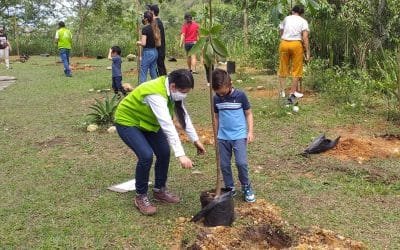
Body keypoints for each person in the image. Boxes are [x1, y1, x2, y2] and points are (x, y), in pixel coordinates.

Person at [114, 69, 206, 215]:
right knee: (146, 155)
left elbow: (183, 116)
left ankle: (159, 190)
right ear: (173, 86)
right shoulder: (155, 93)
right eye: (183, 91)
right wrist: (181, 154)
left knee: (164, 152)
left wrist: (195, 139)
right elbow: (167, 125)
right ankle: (140, 196)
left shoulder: (171, 90)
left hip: (148, 123)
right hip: (128, 121)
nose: (184, 95)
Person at [211, 69, 256, 203]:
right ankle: (230, 187)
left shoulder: (240, 96)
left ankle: (246, 186)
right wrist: (216, 135)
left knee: (241, 163)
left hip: (239, 135)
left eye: (223, 91)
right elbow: (217, 117)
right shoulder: (216, 98)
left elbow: (248, 114)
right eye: (218, 92)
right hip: (223, 137)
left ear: (230, 84)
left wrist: (250, 132)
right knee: (224, 164)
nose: (221, 94)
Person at [278, 5, 310, 103]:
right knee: (296, 69)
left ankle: (282, 91)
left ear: (292, 11)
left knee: (283, 67)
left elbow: (280, 31)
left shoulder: (286, 18)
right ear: (302, 13)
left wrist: (284, 37)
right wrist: (307, 51)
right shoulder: (303, 21)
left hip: (284, 43)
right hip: (296, 44)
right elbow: (305, 37)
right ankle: (292, 93)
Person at [137, 11, 160, 84]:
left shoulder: (145, 29)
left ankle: (141, 89)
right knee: (153, 70)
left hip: (148, 52)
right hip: (155, 51)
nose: (143, 19)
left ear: (146, 19)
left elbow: (143, 43)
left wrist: (138, 42)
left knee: (143, 70)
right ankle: (157, 86)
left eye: (143, 17)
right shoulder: (155, 27)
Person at [147, 4, 167, 76]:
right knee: (159, 67)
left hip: (159, 49)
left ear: (152, 12)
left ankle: (164, 83)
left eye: (149, 10)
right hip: (158, 49)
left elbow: (156, 38)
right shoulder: (156, 22)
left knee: (160, 68)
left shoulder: (156, 23)